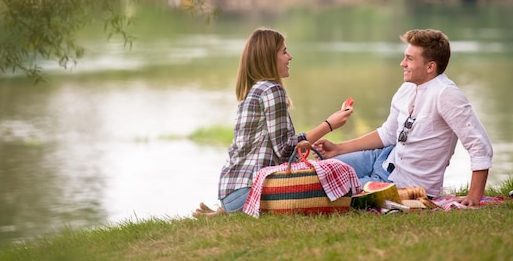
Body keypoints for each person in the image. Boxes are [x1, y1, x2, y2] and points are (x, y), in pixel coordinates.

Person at [313, 29, 493, 206]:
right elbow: (388, 134)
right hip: (381, 158)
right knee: (316, 173)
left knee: (322, 189)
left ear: (430, 66)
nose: (402, 64)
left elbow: (479, 144)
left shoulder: (447, 95)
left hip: (407, 186)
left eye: (410, 59)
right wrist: (338, 149)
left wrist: (474, 196)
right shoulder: (407, 87)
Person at [198, 28, 354, 216]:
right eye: (284, 52)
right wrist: (329, 125)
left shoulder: (254, 90)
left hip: (231, 191)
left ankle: (225, 211)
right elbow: (285, 149)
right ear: (269, 58)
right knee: (336, 177)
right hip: (248, 191)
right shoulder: (272, 91)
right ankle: (232, 211)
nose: (290, 57)